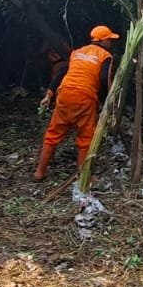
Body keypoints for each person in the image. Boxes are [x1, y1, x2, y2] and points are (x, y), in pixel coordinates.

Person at [34, 25, 119, 180]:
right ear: (102, 40)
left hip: (64, 93)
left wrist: (49, 94)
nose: (111, 43)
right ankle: (83, 176)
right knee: (85, 137)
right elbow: (104, 79)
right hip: (85, 96)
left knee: (53, 133)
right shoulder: (106, 56)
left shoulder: (77, 52)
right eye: (109, 40)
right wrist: (106, 100)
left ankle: (39, 173)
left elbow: (62, 72)